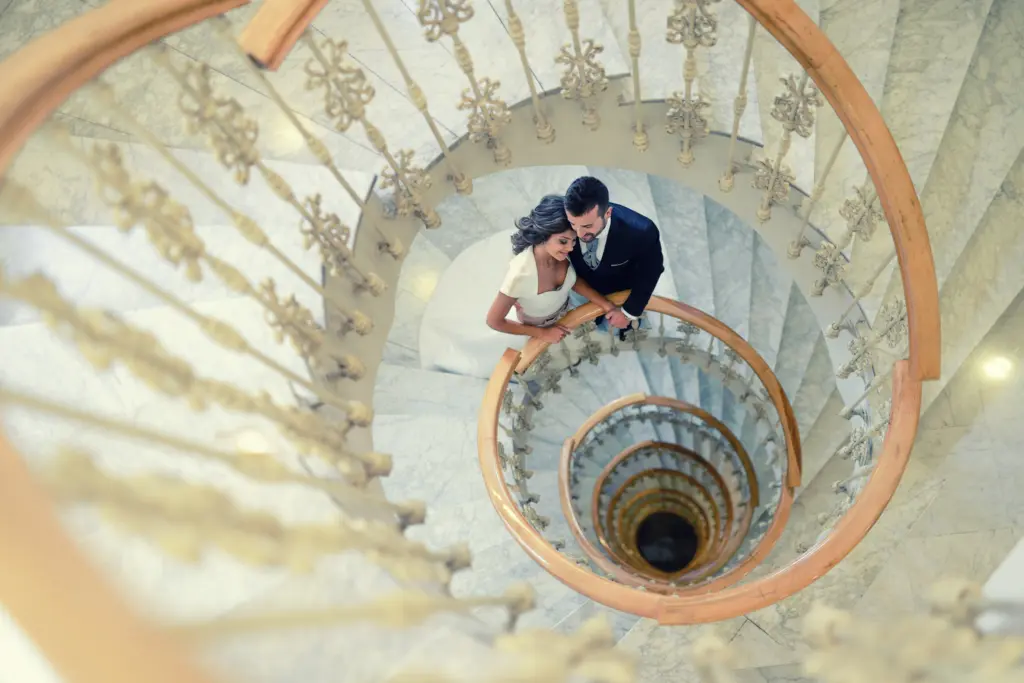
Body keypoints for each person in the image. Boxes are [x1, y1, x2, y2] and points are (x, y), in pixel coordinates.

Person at [486, 194, 621, 344]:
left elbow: (574, 281)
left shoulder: (561, 253)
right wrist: (542, 333)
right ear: (544, 235)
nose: (570, 248)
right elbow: (494, 321)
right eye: (563, 241)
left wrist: (607, 305)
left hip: (566, 310)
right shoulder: (520, 275)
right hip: (537, 324)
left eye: (574, 240)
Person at [563, 176, 665, 334]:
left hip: (619, 290)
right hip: (582, 287)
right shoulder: (562, 218)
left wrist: (628, 312)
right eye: (572, 224)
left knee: (621, 330)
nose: (579, 233)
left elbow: (651, 271)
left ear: (608, 213)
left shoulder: (641, 232)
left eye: (587, 226)